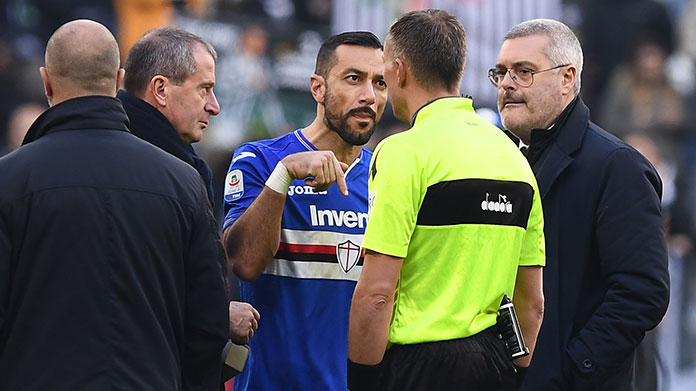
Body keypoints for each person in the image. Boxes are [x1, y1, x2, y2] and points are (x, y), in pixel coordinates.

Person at [0, 20, 229, 390]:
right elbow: (208, 324)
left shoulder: (8, 182)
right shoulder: (183, 182)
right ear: (118, 78)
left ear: (46, 81)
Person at [348, 9, 546, 391]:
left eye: (386, 70)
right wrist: (517, 373)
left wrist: (361, 379)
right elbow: (533, 303)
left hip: (417, 366)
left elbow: (376, 294)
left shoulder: (403, 152)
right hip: (495, 363)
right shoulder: (515, 159)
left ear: (400, 71)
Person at [490, 18, 670, 389]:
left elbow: (642, 293)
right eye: (501, 72)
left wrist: (574, 368)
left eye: (524, 72)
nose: (507, 83)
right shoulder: (502, 162)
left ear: (568, 78)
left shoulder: (618, 166)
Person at [221, 31, 387, 391]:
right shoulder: (260, 160)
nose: (369, 96)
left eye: (380, 82)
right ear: (317, 88)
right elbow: (244, 264)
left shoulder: (387, 177)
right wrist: (283, 177)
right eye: (354, 79)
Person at [117, 26, 259, 345]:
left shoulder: (99, 151)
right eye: (204, 89)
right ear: (161, 90)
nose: (214, 105)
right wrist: (218, 316)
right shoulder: (175, 177)